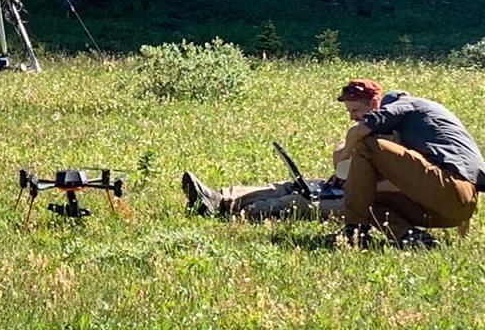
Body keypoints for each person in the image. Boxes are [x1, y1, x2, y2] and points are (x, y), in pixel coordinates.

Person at [180, 78, 385, 221]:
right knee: (288, 187)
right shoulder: (360, 129)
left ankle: (234, 212)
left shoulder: (392, 132)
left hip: (365, 199)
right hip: (343, 187)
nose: (352, 117)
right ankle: (218, 197)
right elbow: (339, 159)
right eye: (349, 111)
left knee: (294, 202)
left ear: (374, 104)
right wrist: (350, 144)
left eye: (356, 110)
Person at [334, 83, 484, 248]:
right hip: (457, 207)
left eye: (354, 111)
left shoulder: (406, 104)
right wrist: (359, 186)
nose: (352, 117)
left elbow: (357, 132)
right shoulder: (424, 127)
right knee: (366, 197)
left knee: (367, 145)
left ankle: (353, 232)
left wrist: (344, 159)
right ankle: (410, 237)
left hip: (451, 189)